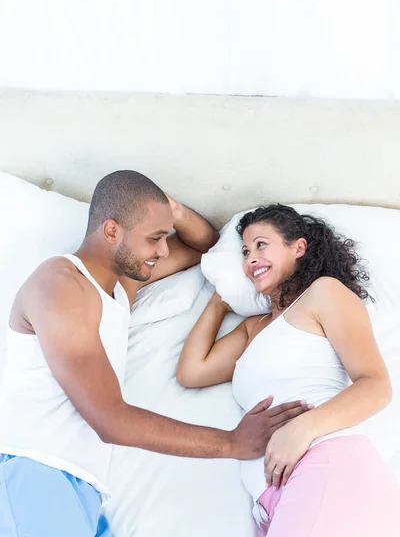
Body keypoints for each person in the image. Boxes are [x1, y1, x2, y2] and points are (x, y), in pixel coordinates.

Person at [0, 172, 308, 537]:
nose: (162, 249)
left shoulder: (119, 288)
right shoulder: (61, 285)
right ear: (112, 231)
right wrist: (231, 442)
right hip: (33, 471)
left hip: (83, 489)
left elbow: (204, 246)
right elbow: (109, 419)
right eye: (154, 238)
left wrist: (169, 211)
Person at [177, 204, 400, 537]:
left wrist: (301, 429)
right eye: (245, 252)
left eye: (261, 245)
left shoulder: (323, 294)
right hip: (272, 498)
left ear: (298, 247)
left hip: (326, 463)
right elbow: (192, 372)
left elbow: (376, 385)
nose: (250, 258)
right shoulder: (253, 328)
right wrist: (219, 300)